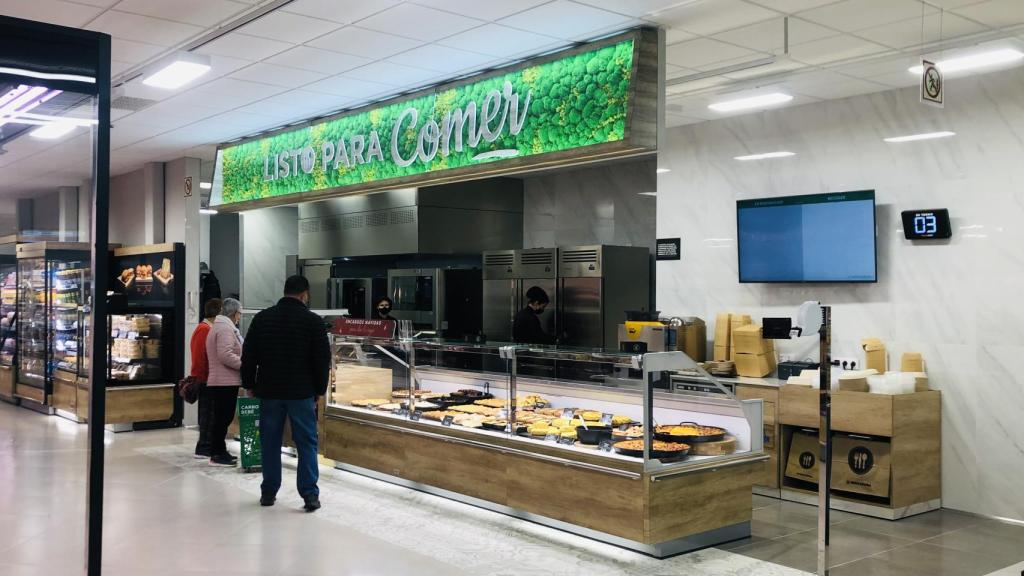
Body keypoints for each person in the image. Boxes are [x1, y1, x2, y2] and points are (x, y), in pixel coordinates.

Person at [241, 275, 331, 512]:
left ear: (285, 291)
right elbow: (322, 360)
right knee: (306, 443)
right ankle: (309, 495)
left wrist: (249, 383)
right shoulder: (313, 322)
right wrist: (320, 389)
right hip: (301, 392)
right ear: (304, 295)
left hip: (269, 391)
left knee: (270, 442)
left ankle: (268, 492)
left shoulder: (262, 318)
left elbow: (248, 355)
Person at [205, 297, 243, 467]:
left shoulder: (220, 326)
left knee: (222, 418)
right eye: (239, 313)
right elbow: (225, 354)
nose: (240, 317)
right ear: (234, 313)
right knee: (222, 418)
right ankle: (216, 454)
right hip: (224, 381)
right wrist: (244, 365)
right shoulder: (225, 329)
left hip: (222, 380)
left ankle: (220, 451)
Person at [191, 298, 222, 459]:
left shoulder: (207, 328)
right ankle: (204, 447)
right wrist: (203, 378)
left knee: (210, 414)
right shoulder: (204, 329)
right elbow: (199, 358)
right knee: (207, 415)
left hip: (208, 378)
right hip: (205, 379)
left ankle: (208, 446)